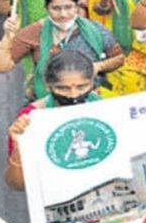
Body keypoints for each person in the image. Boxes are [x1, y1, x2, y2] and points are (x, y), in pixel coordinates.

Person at [0, 0, 124, 100]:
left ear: (77, 6)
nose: (63, 14)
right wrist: (7, 37)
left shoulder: (95, 30)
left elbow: (119, 59)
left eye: (68, 7)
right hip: (48, 101)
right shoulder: (34, 32)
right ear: (46, 8)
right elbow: (0, 67)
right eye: (56, 8)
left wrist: (98, 66)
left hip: (88, 99)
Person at [5, 51, 102, 190]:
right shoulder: (29, 120)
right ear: (47, 85)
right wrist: (18, 149)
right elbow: (16, 185)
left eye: (81, 87)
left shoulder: (103, 109)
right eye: (63, 88)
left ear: (92, 83)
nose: (73, 95)